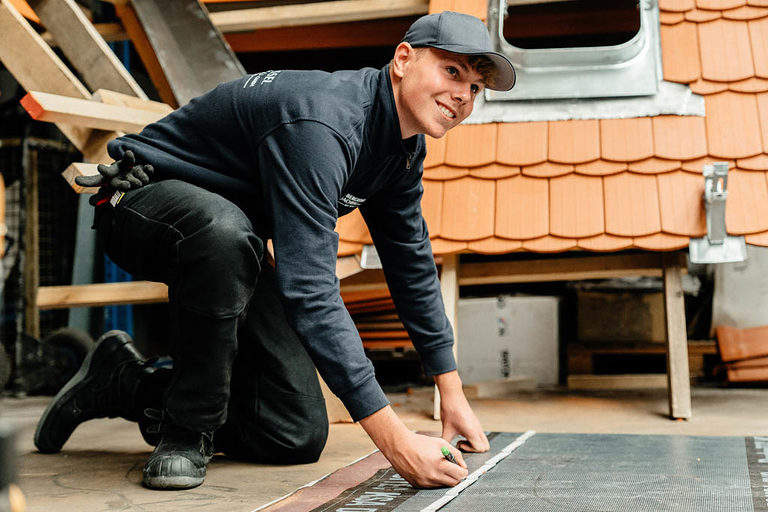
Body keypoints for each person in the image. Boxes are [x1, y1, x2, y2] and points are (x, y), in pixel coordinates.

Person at [33, 11, 516, 490]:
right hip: (140, 201)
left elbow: (409, 261)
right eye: (452, 71)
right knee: (222, 234)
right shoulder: (324, 122)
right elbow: (310, 289)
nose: (462, 94)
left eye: (475, 87)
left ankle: (122, 382)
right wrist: (396, 443)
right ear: (403, 59)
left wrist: (450, 393)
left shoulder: (401, 150)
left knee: (292, 432)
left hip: (232, 243)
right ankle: (186, 432)